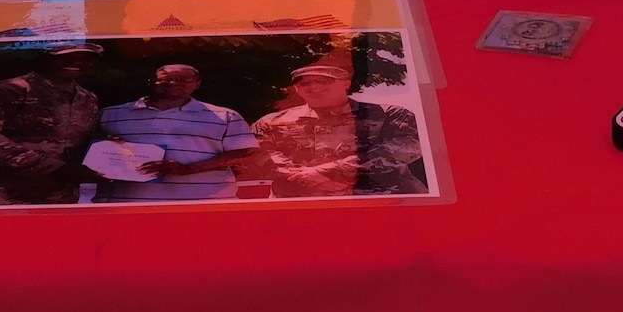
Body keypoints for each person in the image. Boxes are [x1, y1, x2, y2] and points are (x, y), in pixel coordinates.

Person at [0, 44, 103, 205]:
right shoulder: (3, 90)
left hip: (56, 196)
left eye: (87, 58)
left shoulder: (87, 99)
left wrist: (113, 149)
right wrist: (53, 167)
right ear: (45, 58)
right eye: (67, 56)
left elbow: (77, 141)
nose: (77, 62)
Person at [252, 62, 426, 198]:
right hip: (296, 202)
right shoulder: (270, 122)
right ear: (296, 88)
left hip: (378, 198)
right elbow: (255, 155)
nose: (313, 86)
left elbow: (406, 147)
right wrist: (305, 178)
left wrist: (328, 171)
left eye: (324, 80)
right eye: (304, 83)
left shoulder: (389, 113)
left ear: (346, 82)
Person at [93, 63, 259, 202]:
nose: (173, 83)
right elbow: (88, 153)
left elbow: (245, 154)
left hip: (205, 203)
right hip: (127, 203)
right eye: (166, 79)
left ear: (197, 84)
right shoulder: (111, 114)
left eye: (182, 80)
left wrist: (187, 169)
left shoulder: (225, 116)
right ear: (151, 82)